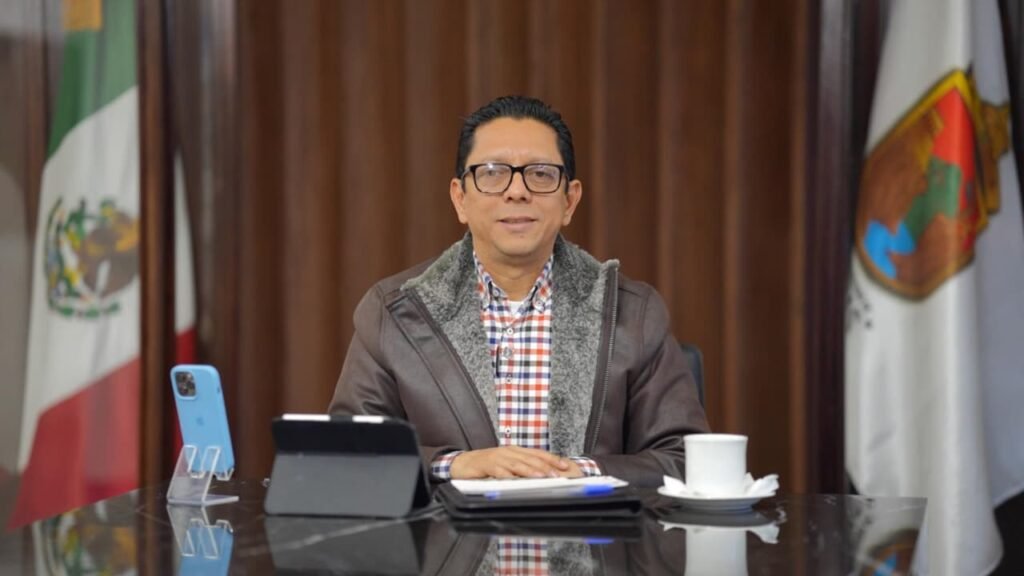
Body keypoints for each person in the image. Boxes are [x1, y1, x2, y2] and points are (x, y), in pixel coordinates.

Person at [330, 95, 708, 487]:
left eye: (540, 174)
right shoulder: (394, 313)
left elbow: (684, 460)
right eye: (492, 173)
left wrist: (580, 472)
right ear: (460, 199)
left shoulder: (632, 314)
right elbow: (346, 454)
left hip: (591, 528)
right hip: (447, 529)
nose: (516, 191)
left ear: (569, 201)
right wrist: (454, 465)